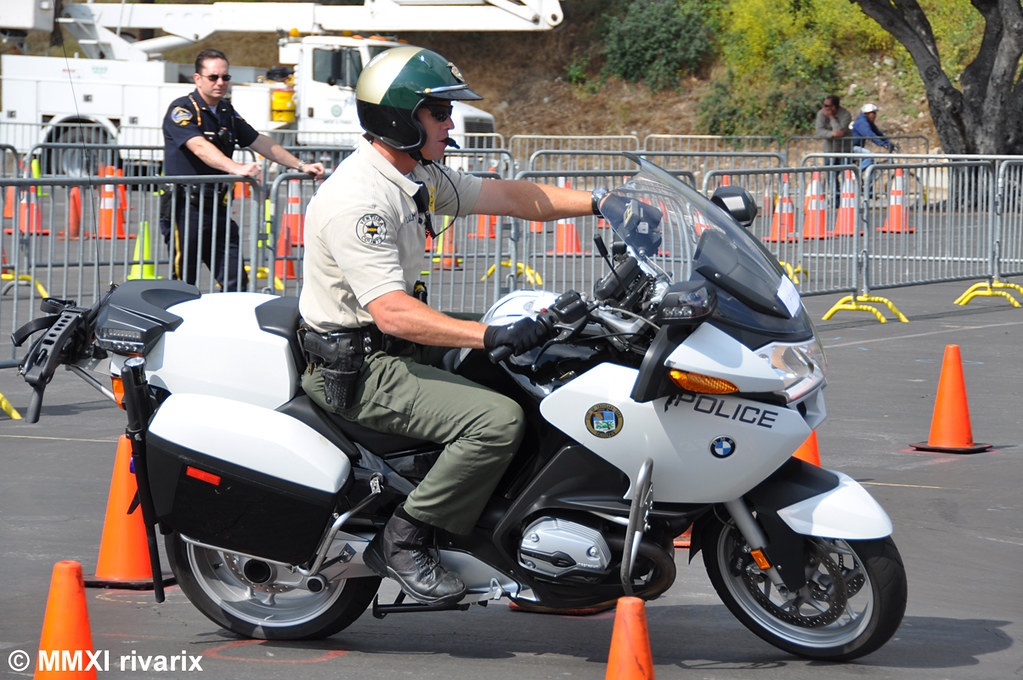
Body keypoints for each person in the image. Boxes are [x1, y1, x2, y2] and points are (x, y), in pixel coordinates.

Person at [297, 46, 604, 606]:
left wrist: (605, 203)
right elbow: (390, 310)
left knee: (542, 367)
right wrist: (490, 335)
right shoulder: (360, 201)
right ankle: (405, 537)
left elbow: (512, 195)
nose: (450, 122)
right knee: (496, 421)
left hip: (397, 346)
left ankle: (521, 540)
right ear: (398, 116)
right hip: (362, 366)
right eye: (438, 111)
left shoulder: (414, 175)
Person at [161, 49, 326, 291]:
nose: (220, 83)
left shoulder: (226, 111)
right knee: (184, 282)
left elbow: (259, 141)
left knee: (235, 280)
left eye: (225, 77)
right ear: (198, 79)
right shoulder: (183, 109)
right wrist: (236, 168)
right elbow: (199, 146)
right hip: (186, 207)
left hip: (217, 207)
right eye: (213, 77)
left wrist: (301, 165)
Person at [814, 94, 853, 204]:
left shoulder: (845, 115)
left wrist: (831, 118)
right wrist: (831, 134)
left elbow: (840, 131)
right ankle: (836, 199)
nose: (825, 108)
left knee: (846, 175)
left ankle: (848, 199)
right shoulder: (821, 114)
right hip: (830, 150)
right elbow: (819, 131)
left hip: (844, 150)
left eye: (827, 105)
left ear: (834, 107)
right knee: (831, 175)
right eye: (824, 105)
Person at [850, 103, 894, 173]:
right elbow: (869, 135)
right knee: (870, 157)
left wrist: (889, 143)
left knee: (872, 167)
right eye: (873, 113)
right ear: (868, 113)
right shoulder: (862, 122)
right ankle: (856, 174)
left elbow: (878, 134)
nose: (875, 116)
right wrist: (883, 144)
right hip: (851, 148)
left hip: (856, 147)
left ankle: (869, 184)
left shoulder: (868, 122)